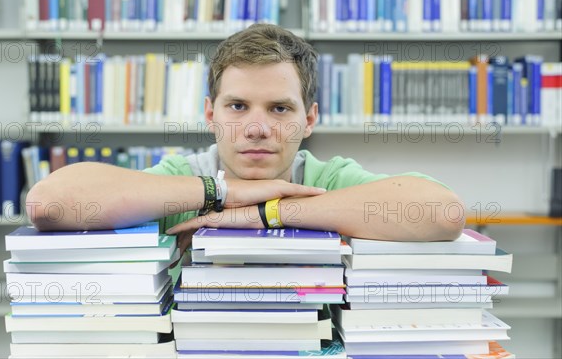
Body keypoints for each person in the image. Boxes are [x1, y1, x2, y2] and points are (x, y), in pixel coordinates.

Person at [27, 24, 465, 253]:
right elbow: (49, 205)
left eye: (280, 108)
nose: (257, 128)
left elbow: (443, 214)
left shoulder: (324, 178)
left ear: (309, 119)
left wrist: (267, 212)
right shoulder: (183, 178)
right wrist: (222, 192)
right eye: (238, 107)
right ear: (209, 114)